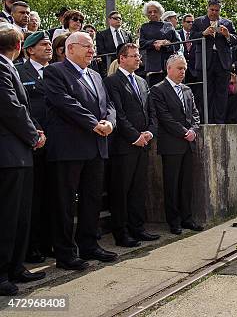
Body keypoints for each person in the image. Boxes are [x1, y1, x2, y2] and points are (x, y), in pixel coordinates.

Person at [44, 32, 118, 270]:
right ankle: (65, 253)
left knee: (92, 199)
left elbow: (108, 104)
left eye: (92, 46)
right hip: (69, 149)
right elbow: (64, 102)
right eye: (87, 46)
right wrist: (93, 123)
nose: (92, 50)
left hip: (96, 147)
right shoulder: (55, 72)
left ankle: (89, 244)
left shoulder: (96, 75)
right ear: (71, 48)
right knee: (65, 203)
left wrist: (109, 122)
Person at [0, 23, 47, 296]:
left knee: (20, 215)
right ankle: (2, 272)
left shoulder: (8, 68)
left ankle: (16, 266)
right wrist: (34, 135)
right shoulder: (2, 68)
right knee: (8, 216)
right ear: (19, 46)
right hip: (8, 154)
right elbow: (11, 108)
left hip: (19, 153)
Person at [104, 43, 160, 247]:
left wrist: (150, 132)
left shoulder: (142, 82)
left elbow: (151, 112)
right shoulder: (111, 82)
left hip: (143, 144)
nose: (139, 59)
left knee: (138, 189)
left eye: (139, 56)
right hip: (124, 146)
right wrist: (134, 136)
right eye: (134, 56)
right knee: (121, 190)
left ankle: (138, 228)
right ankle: (121, 232)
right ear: (122, 58)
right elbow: (117, 113)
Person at [150, 55, 202, 234]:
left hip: (189, 144)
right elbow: (164, 117)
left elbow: (195, 113)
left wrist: (194, 130)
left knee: (186, 184)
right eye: (179, 68)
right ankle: (174, 221)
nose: (183, 72)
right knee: (171, 184)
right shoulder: (158, 90)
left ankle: (187, 218)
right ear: (168, 68)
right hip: (172, 145)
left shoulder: (187, 90)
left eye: (185, 68)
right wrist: (184, 132)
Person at [16, 31, 54, 263]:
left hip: (58, 143)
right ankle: (32, 246)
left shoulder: (58, 71)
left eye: (49, 44)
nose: (48, 47)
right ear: (29, 50)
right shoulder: (19, 72)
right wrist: (38, 131)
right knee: (34, 198)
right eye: (42, 44)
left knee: (54, 196)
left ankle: (50, 242)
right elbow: (23, 109)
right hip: (34, 142)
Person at [191, 0, 237, 124]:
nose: (214, 12)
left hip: (223, 62)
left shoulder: (227, 23)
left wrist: (227, 35)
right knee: (206, 92)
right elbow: (191, 38)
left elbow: (235, 41)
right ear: (207, 8)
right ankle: (206, 120)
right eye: (212, 9)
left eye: (217, 10)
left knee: (222, 93)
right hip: (205, 61)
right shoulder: (198, 22)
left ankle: (219, 121)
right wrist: (203, 33)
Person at [139, 1, 180, 86]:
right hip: (153, 65)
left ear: (160, 12)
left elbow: (177, 44)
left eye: (155, 11)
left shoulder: (168, 25)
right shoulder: (144, 27)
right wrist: (154, 43)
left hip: (169, 62)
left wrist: (166, 44)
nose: (153, 14)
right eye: (150, 12)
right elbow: (142, 43)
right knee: (155, 90)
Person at [96, 11, 134, 77]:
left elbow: (132, 49)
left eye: (120, 18)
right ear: (109, 20)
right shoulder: (101, 34)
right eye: (116, 18)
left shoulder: (127, 34)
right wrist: (117, 61)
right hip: (110, 67)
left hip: (127, 65)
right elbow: (101, 52)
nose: (118, 20)